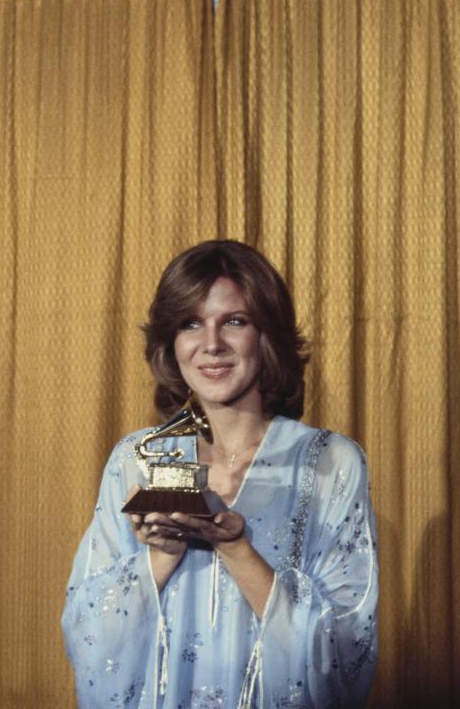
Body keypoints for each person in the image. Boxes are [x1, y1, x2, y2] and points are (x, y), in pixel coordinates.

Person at [61, 240, 378, 708]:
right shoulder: (139, 458)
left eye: (234, 321)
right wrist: (161, 556)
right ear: (171, 342)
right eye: (191, 323)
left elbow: (347, 649)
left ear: (265, 334)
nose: (211, 344)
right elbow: (87, 632)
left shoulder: (332, 463)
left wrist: (235, 547)